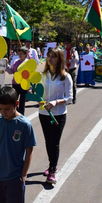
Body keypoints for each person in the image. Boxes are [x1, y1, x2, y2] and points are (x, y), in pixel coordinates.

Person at [39, 47, 72, 184]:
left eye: (54, 56)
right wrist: (35, 94)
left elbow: (70, 98)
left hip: (59, 114)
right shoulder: (43, 75)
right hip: (43, 113)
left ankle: (52, 170)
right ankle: (52, 164)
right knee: (48, 141)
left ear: (59, 59)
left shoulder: (65, 76)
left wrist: (56, 102)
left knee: (55, 142)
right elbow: (39, 92)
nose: (50, 59)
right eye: (49, 56)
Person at [6, 46, 29, 115]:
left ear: (25, 54)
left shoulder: (28, 63)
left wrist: (30, 88)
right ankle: (16, 113)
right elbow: (10, 71)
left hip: (24, 85)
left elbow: (30, 76)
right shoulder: (16, 62)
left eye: (21, 53)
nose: (20, 55)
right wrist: (6, 64)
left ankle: (21, 116)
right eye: (19, 53)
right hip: (15, 84)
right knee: (14, 101)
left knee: (22, 102)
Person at [63, 37, 79, 104]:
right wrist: (65, 62)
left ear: (70, 44)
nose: (66, 45)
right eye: (65, 43)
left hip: (72, 69)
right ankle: (65, 97)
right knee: (64, 84)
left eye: (68, 43)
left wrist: (73, 56)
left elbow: (77, 61)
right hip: (66, 69)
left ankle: (74, 97)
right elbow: (62, 61)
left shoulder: (74, 51)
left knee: (73, 84)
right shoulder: (63, 52)